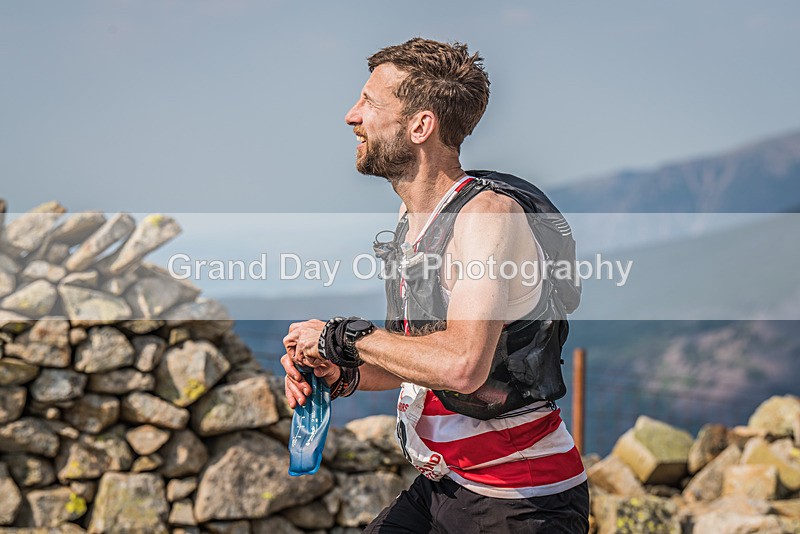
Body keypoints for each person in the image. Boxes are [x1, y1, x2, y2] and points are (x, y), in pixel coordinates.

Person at [281, 38, 589, 533]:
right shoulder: (414, 217)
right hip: (448, 484)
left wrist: (346, 336)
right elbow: (418, 360)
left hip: (520, 500)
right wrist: (339, 372)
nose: (351, 116)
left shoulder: (487, 217)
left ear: (421, 126)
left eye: (369, 102)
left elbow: (463, 366)